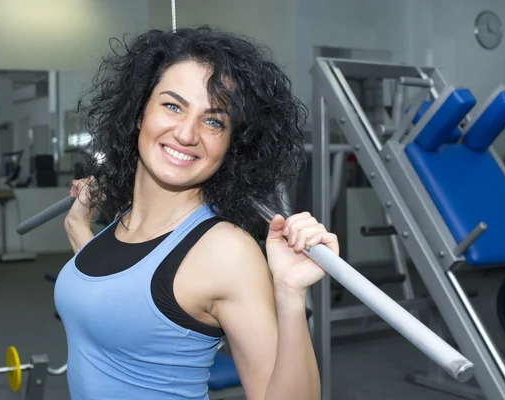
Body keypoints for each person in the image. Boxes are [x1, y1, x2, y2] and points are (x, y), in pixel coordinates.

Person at [55, 26, 339, 400]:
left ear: (232, 143)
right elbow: (117, 300)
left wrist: (288, 293)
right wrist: (77, 221)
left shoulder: (224, 251)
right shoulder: (123, 223)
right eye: (173, 106)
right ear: (139, 113)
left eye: (213, 120)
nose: (187, 134)